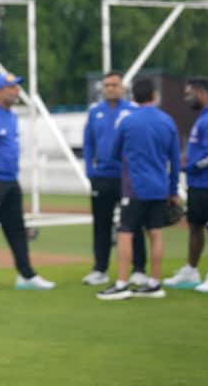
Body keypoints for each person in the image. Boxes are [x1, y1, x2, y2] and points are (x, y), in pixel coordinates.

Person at [0, 72, 55, 292]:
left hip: (10, 179)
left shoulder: (13, 117)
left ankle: (26, 275)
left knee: (16, 229)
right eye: (11, 87)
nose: (16, 91)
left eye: (17, 87)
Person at [97, 77, 181, 301]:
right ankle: (154, 283)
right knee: (155, 233)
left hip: (134, 186)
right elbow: (175, 160)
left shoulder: (128, 121)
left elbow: (113, 153)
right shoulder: (167, 122)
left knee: (125, 233)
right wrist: (173, 191)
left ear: (132, 96)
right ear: (154, 95)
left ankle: (122, 284)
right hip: (159, 187)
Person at [164, 77, 208, 294]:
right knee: (195, 226)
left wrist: (188, 166)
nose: (186, 99)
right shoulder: (205, 118)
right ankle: (191, 270)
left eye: (189, 94)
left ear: (202, 92)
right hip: (198, 183)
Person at [80, 72, 147, 287]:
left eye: (114, 85)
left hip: (127, 177)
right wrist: (90, 170)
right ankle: (100, 269)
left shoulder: (132, 111)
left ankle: (138, 269)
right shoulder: (95, 112)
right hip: (101, 178)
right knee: (101, 224)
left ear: (123, 88)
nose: (110, 88)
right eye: (107, 85)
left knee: (133, 224)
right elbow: (88, 143)